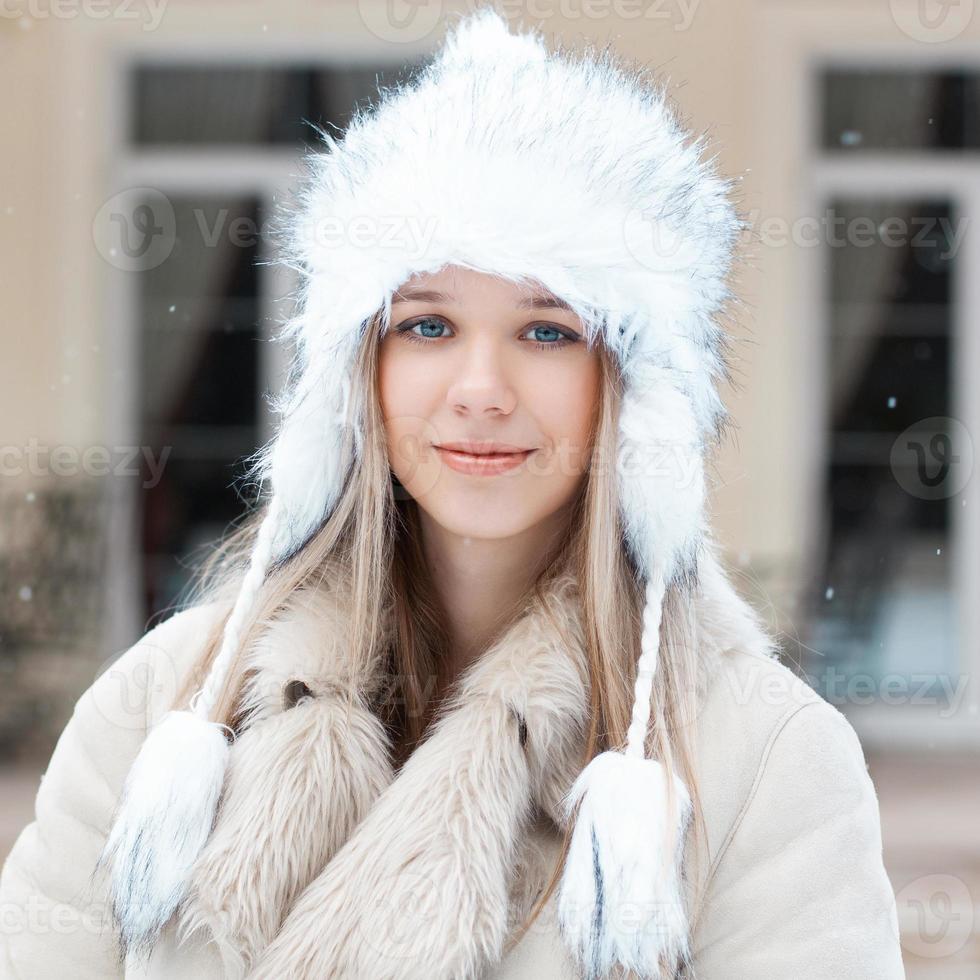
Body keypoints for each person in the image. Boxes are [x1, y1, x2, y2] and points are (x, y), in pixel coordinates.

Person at [0, 7, 905, 979]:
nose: (480, 388)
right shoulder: (164, 705)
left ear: (632, 396)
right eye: (427, 326)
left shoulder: (762, 759)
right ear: (359, 374)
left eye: (547, 330)